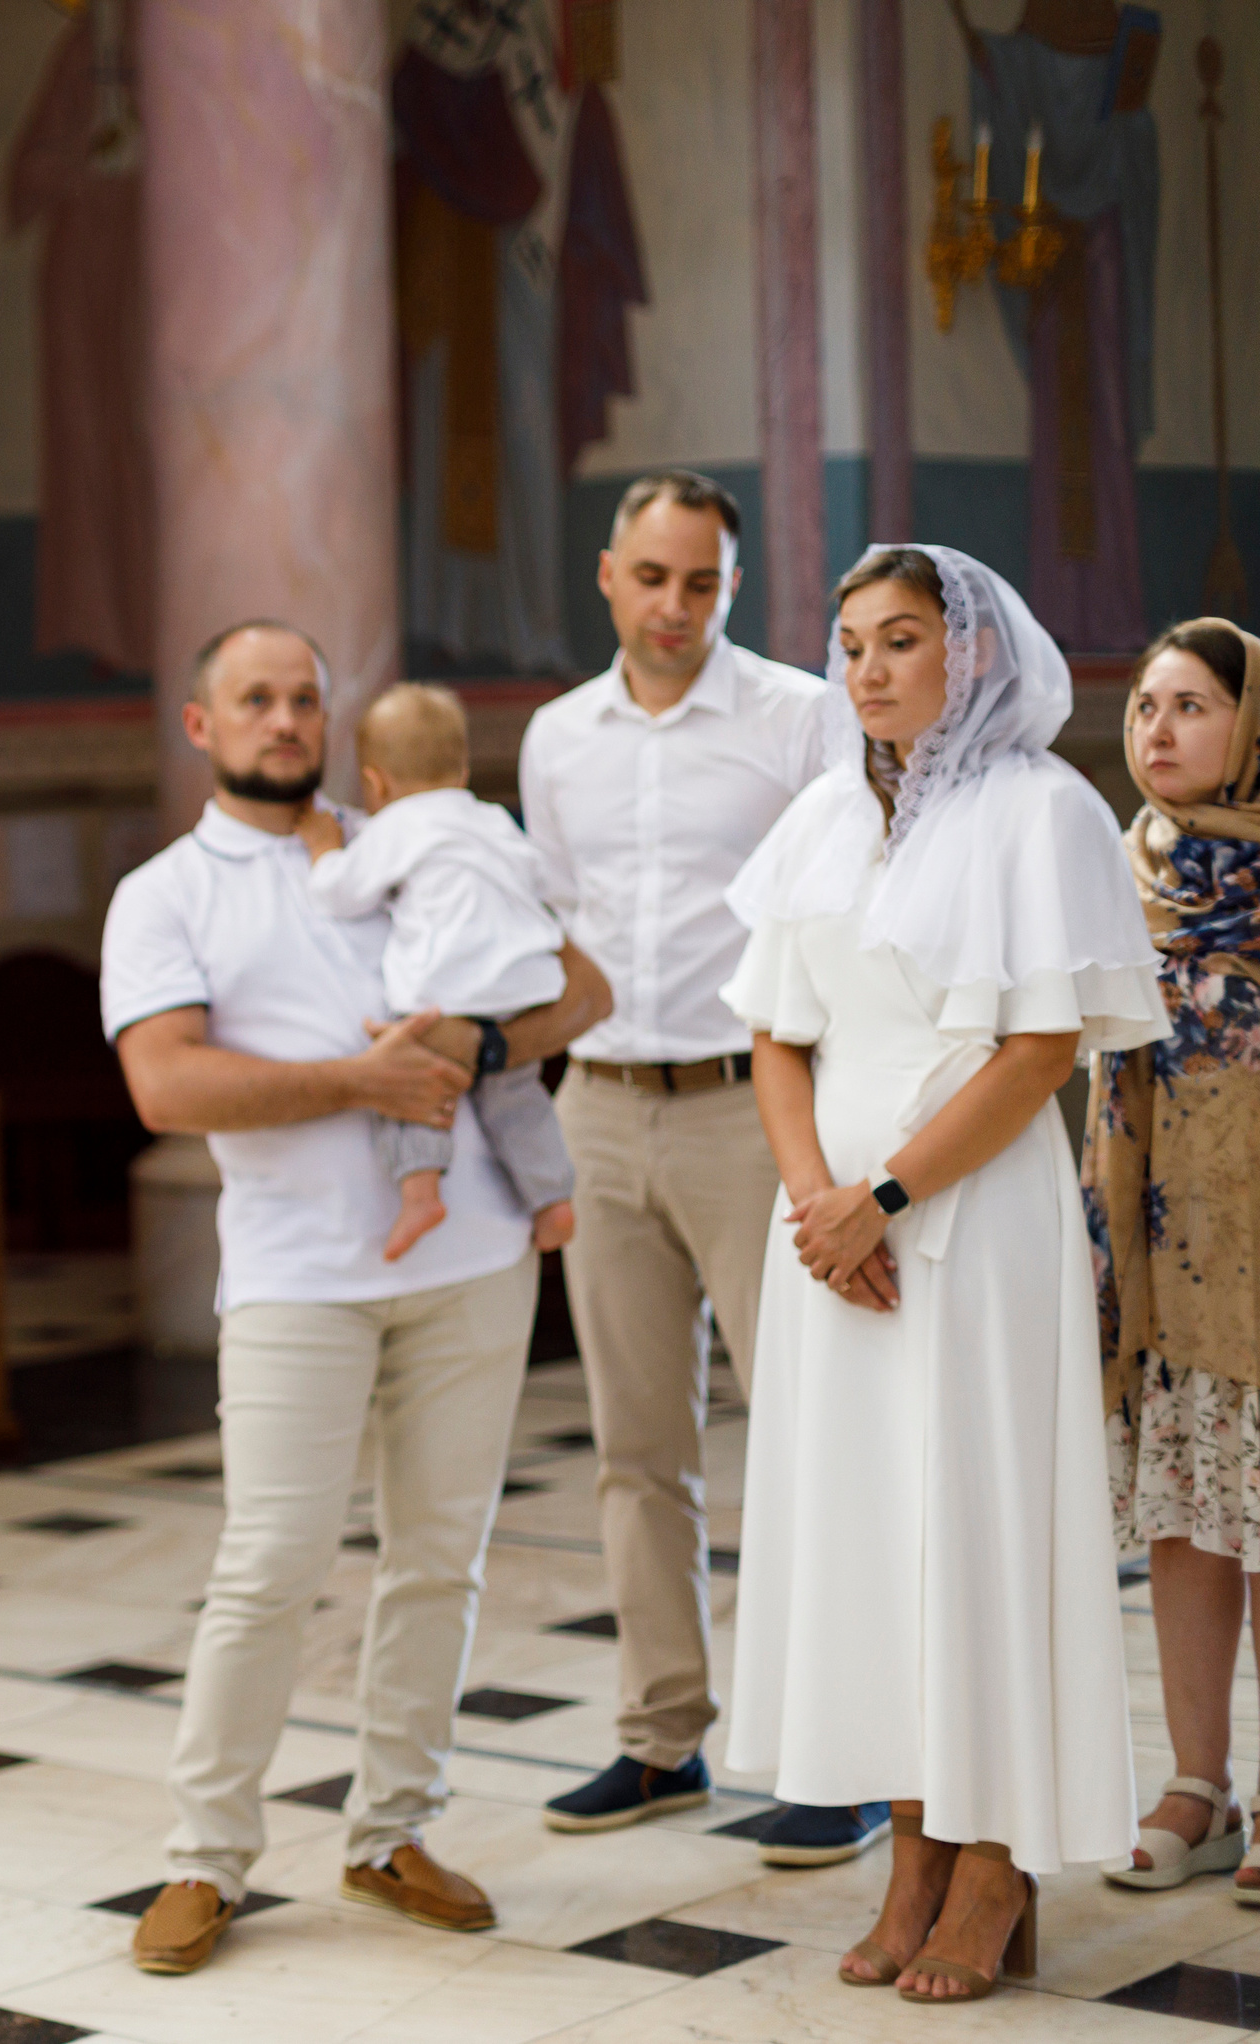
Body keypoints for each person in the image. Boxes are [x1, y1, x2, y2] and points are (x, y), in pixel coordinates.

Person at [101, 620, 611, 1976]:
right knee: (267, 1568)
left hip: (474, 1260)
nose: (286, 718)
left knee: (441, 1559)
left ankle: (392, 1831)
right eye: (254, 698)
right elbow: (167, 1084)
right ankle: (205, 1858)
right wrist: (359, 1082)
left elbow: (584, 990)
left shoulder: (426, 835)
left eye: (306, 697)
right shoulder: (165, 894)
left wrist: (470, 1042)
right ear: (200, 725)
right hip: (296, 1281)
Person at [723, 543, 1159, 2003]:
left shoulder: (1045, 813)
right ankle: (909, 1836)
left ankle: (993, 1863)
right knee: (863, 1535)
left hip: (974, 1233)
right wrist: (817, 1207)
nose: (866, 669)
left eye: (899, 640)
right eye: (849, 644)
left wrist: (888, 1194)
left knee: (975, 1525)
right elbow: (777, 1035)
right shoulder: (822, 821)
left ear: (968, 653)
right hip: (831, 1249)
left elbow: (1041, 1049)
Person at [516, 470, 860, 1861]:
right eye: (652, 578)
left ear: (734, 585)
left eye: (701, 582)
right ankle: (661, 1739)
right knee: (633, 1449)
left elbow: (846, 919)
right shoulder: (554, 739)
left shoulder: (798, 718)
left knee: (805, 1438)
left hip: (751, 1111)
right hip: (597, 1111)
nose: (674, 607)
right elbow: (554, 927)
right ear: (609, 576)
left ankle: (833, 1755)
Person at [1087, 618, 1260, 1898]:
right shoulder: (1117, 872)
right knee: (1187, 1519)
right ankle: (1199, 1787)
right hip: (1156, 1245)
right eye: (1146, 705)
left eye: (1192, 705)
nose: (1157, 730)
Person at [296, 683, 575, 1260]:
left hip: (447, 986)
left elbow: (338, 892)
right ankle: (552, 1200)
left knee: (413, 1082)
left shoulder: (398, 826)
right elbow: (539, 880)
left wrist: (324, 847)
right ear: (463, 766)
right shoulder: (492, 818)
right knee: (517, 1097)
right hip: (523, 982)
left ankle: (420, 1191)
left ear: (374, 784)